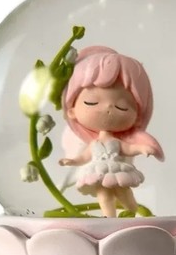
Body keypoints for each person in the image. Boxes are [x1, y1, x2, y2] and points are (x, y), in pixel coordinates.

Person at [59, 46, 164, 217]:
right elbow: (83, 158)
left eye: (122, 106)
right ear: (72, 111)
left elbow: (129, 148)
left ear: (138, 117)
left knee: (124, 192)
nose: (108, 107)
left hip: (116, 169)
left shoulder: (117, 142)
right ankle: (109, 218)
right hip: (98, 170)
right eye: (91, 102)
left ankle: (131, 211)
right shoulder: (93, 144)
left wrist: (143, 148)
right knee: (103, 194)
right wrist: (70, 161)